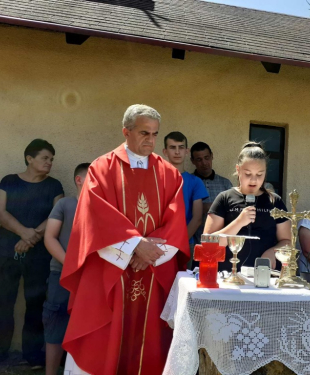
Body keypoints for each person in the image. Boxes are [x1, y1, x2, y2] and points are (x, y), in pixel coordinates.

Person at [61, 104, 189, 375]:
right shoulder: (101, 168)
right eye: (144, 133)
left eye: (155, 134)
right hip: (112, 270)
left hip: (152, 271)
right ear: (126, 131)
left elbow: (175, 222)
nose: (151, 140)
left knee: (151, 342)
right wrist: (135, 246)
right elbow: (94, 216)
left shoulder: (169, 174)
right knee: (105, 340)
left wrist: (148, 254)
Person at [0, 139, 64, 368]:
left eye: (51, 159)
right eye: (44, 158)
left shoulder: (54, 186)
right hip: (5, 251)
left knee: (35, 304)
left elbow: (56, 216)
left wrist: (31, 238)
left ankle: (32, 355)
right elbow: (0, 213)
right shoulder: (9, 181)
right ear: (29, 158)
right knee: (3, 302)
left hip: (39, 254)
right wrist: (24, 233)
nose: (49, 162)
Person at [204, 142, 291, 270]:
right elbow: (207, 243)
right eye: (248, 174)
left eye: (259, 174)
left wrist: (273, 251)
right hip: (227, 274)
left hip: (264, 274)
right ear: (238, 170)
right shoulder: (224, 198)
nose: (254, 180)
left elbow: (288, 242)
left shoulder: (274, 201)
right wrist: (239, 222)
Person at [42, 163, 90, 375]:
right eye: (93, 177)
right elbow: (50, 237)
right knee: (55, 324)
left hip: (92, 278)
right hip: (60, 274)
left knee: (88, 328)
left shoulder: (105, 207)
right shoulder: (64, 204)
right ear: (79, 180)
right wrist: (72, 265)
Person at [163, 132, 208, 268]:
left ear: (187, 151)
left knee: (182, 283)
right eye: (172, 147)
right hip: (159, 241)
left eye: (181, 147)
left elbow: (197, 218)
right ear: (165, 151)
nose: (177, 152)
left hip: (185, 242)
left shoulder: (195, 182)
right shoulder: (157, 179)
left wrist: (178, 242)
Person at [190, 141, 233, 244]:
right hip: (194, 242)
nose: (204, 163)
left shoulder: (225, 184)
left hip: (220, 242)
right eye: (199, 159)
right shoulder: (188, 182)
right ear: (192, 161)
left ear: (212, 156)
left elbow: (233, 212)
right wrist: (201, 208)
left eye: (207, 158)